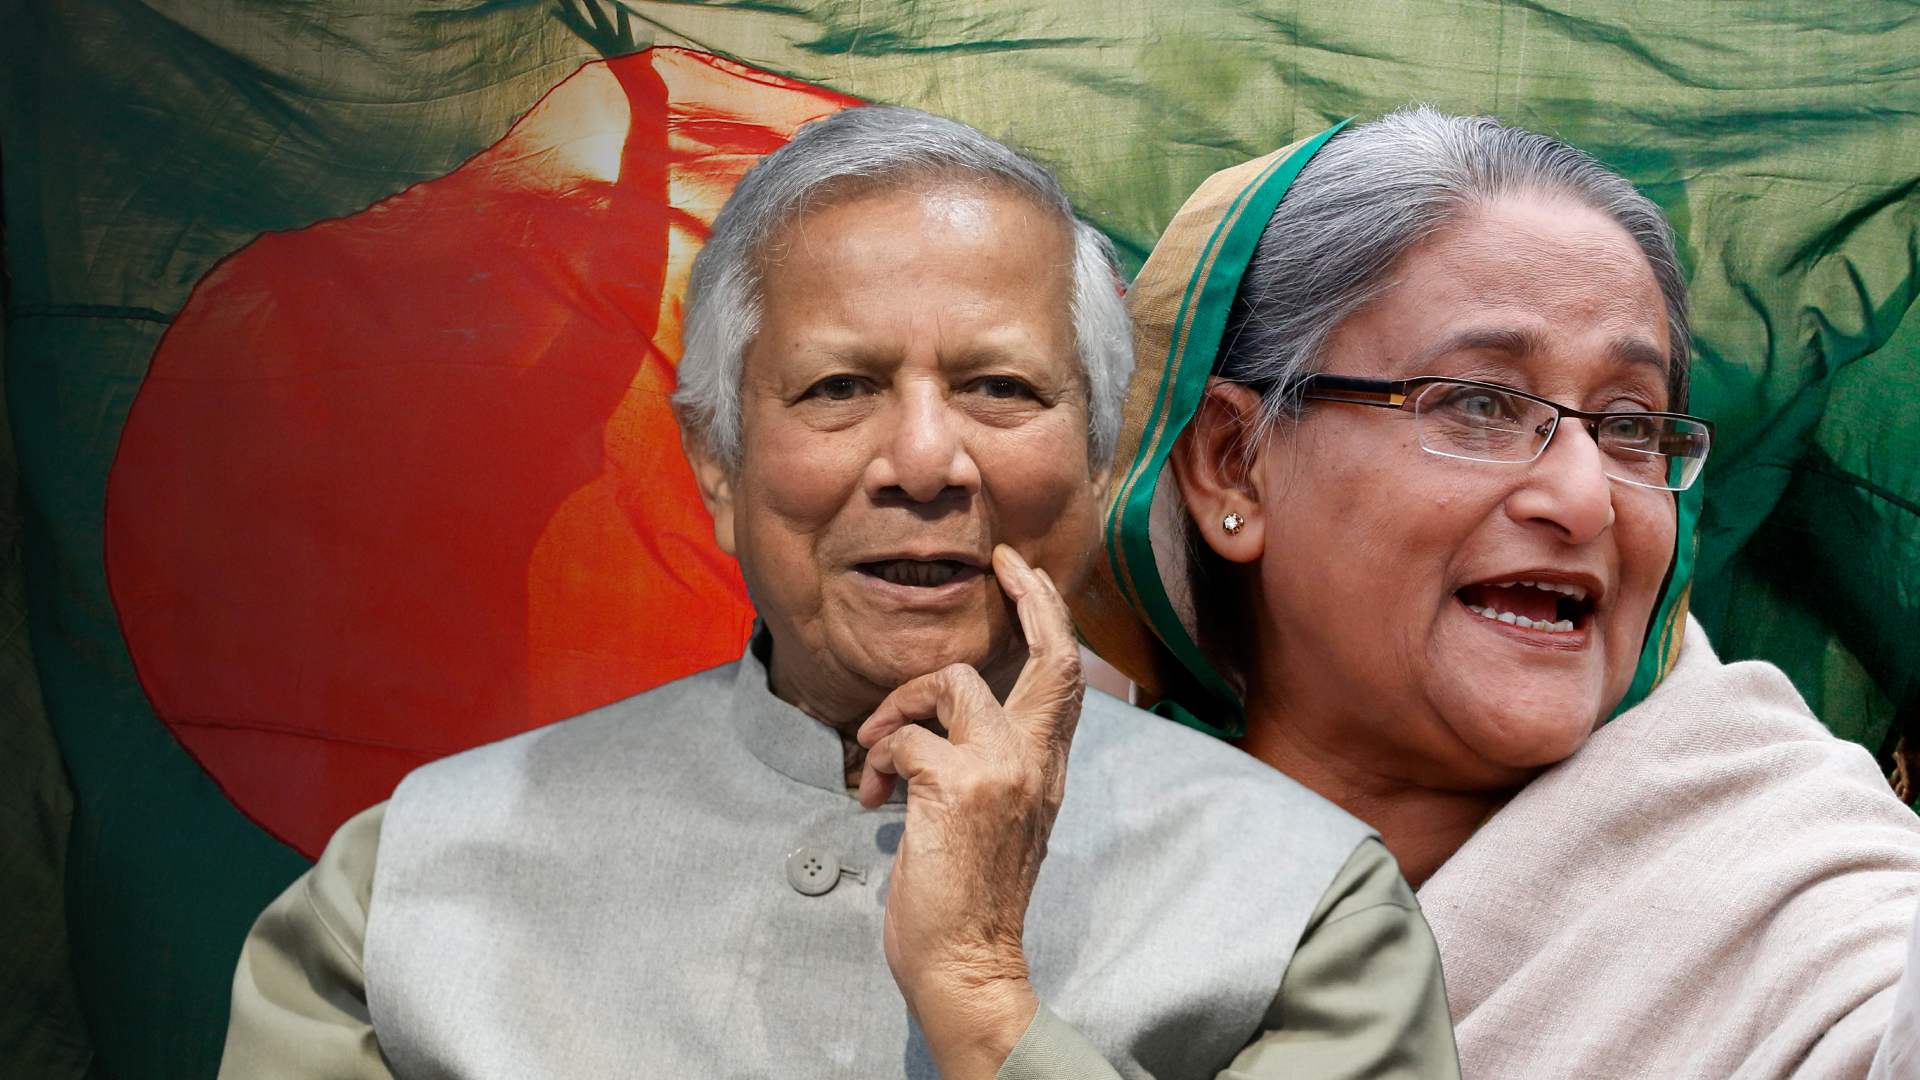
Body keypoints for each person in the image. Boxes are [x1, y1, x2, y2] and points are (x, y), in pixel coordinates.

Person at [216, 105, 1464, 1079]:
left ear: (1099, 460)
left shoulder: (1307, 909)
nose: (924, 461)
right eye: (838, 389)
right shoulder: (404, 889)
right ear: (717, 463)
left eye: (1000, 389)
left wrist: (985, 1001)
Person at [1055, 107, 1920, 1078]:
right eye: (1480, 404)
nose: (1587, 498)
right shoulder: (1018, 837)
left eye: (1632, 426)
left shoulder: (1804, 894)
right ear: (1232, 464)